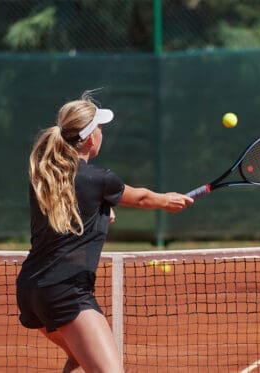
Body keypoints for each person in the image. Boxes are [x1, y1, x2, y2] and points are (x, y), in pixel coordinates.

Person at [16, 91, 194, 373]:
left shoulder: (45, 176)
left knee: (79, 358)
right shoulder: (99, 179)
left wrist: (100, 211)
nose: (102, 133)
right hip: (67, 292)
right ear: (90, 138)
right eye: (99, 128)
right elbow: (142, 198)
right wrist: (167, 200)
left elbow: (70, 212)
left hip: (32, 291)